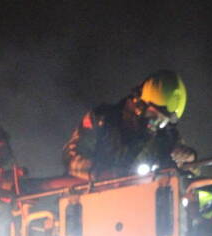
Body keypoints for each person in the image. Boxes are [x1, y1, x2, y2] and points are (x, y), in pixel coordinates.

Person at [63, 70, 197, 179]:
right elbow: (71, 158)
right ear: (139, 104)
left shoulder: (166, 136)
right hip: (95, 201)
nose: (156, 124)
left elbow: (190, 176)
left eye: (163, 121)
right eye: (154, 116)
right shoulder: (101, 119)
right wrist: (104, 175)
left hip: (145, 205)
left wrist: (190, 160)